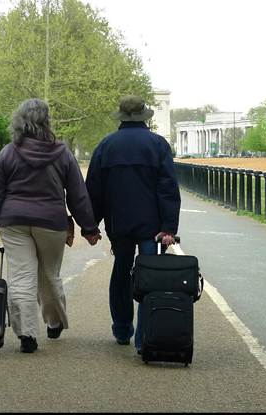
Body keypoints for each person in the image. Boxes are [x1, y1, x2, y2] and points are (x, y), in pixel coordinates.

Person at [0, 98, 102, 353]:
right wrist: (89, 228)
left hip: (12, 223)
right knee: (49, 275)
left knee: (21, 277)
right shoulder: (63, 153)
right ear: (47, 121)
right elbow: (78, 196)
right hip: (51, 222)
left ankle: (27, 334)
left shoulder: (7, 153)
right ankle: (54, 322)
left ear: (19, 121)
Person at [86, 94, 180, 354]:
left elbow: (94, 189)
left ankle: (122, 328)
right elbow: (168, 188)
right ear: (144, 117)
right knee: (150, 277)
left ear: (121, 117)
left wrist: (91, 226)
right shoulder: (158, 145)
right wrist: (169, 227)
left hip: (120, 224)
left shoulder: (106, 145)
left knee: (122, 273)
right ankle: (144, 337)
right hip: (153, 226)